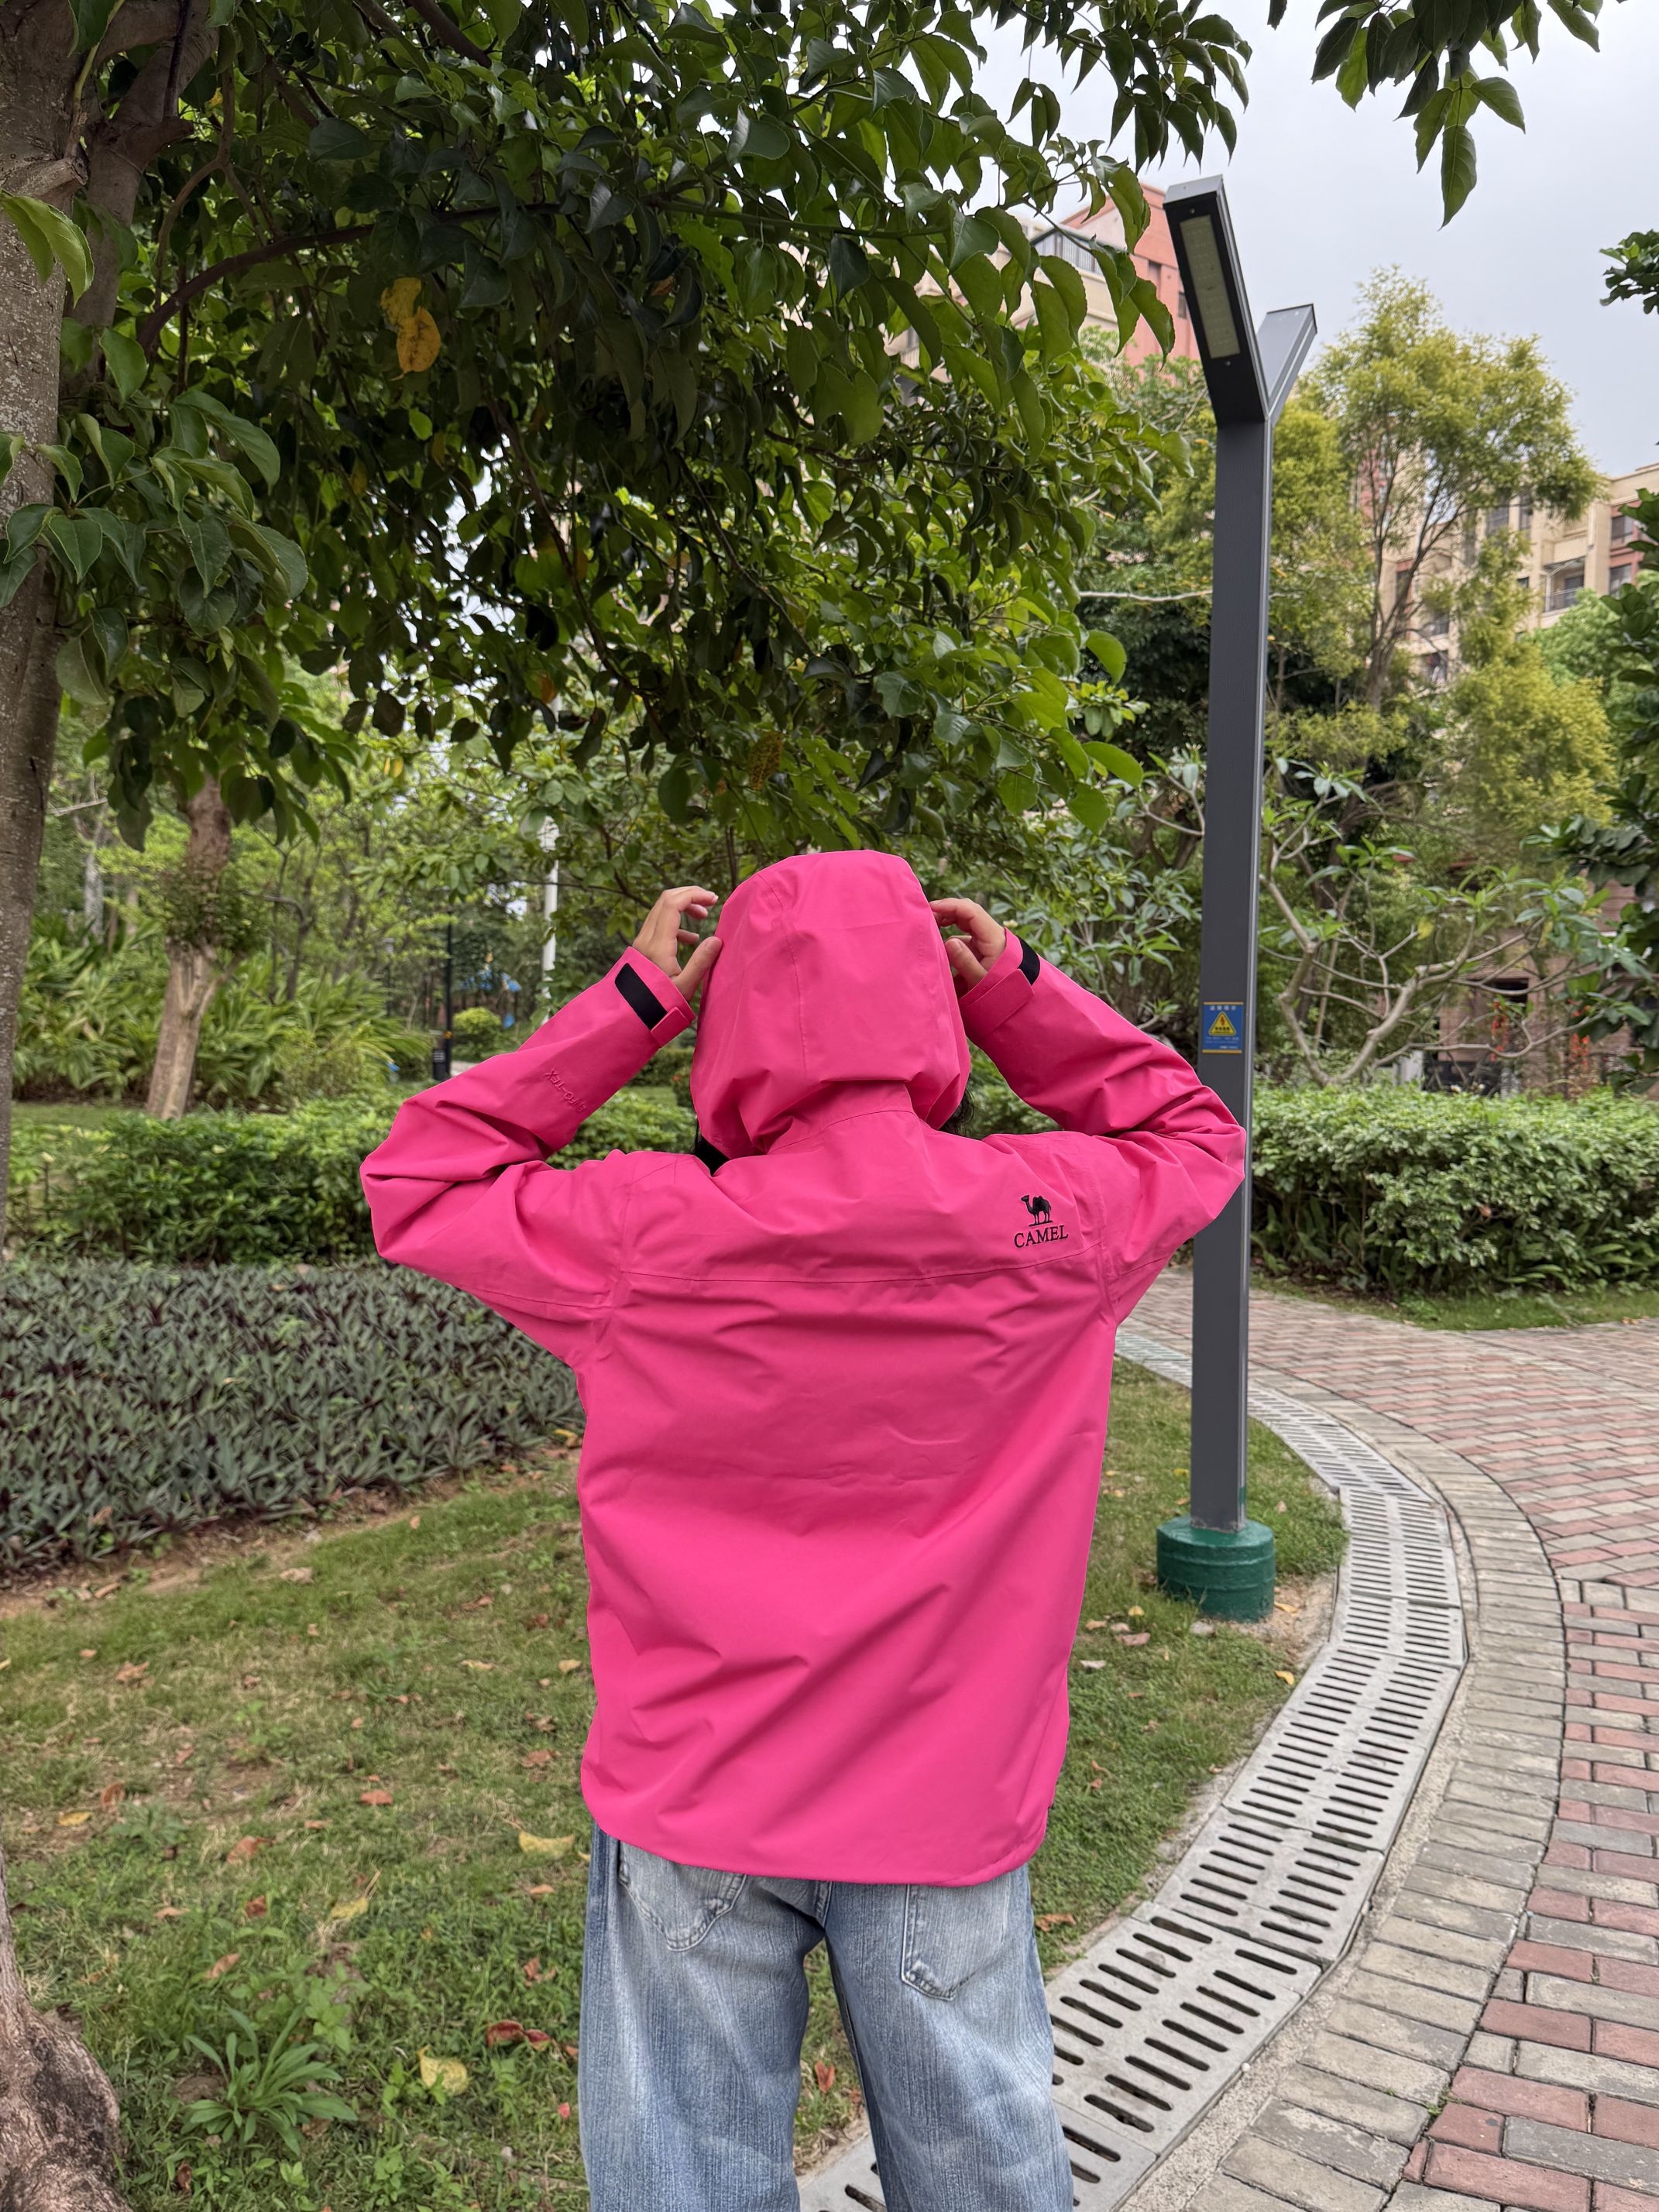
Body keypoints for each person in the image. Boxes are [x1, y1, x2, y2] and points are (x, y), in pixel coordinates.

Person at [360, 851, 1243, 2212]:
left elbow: (423, 1174)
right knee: (985, 2175)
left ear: (738, 1019)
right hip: (946, 1801)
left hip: (701, 1793)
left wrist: (635, 998)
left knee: (686, 2181)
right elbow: (1195, 1135)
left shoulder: (646, 1228)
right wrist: (1015, 993)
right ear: (925, 1007)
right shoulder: (1051, 1217)